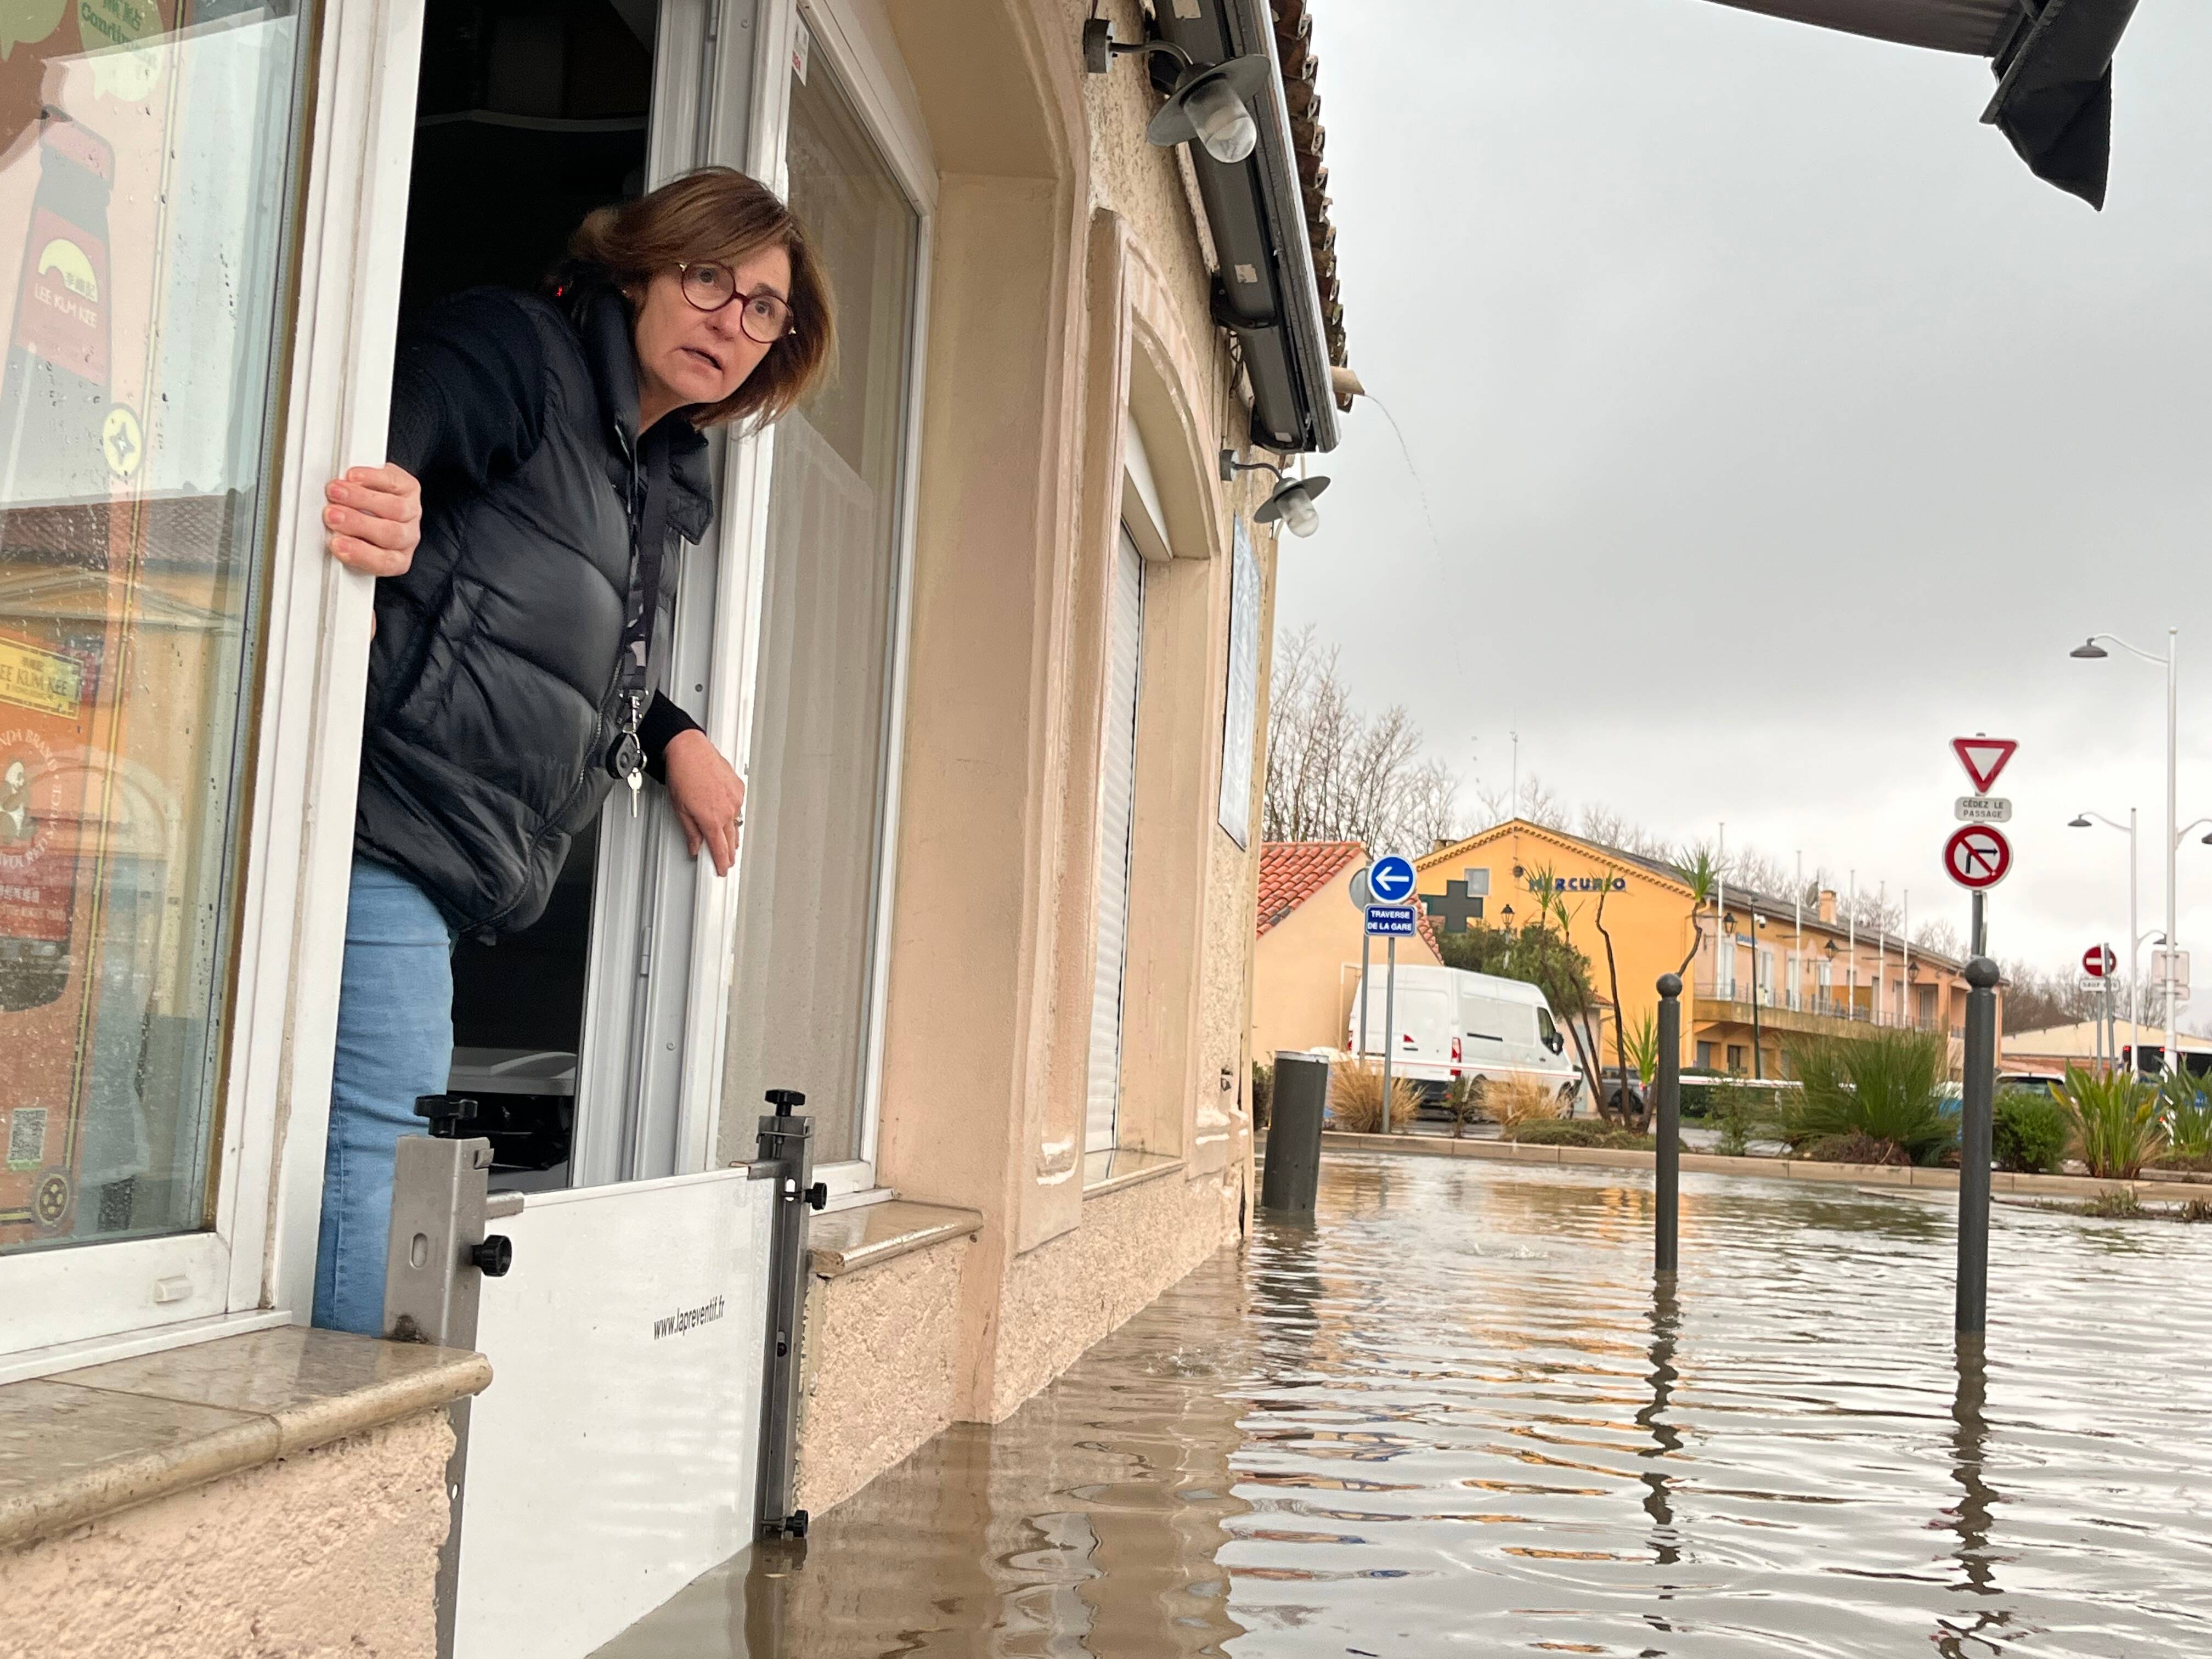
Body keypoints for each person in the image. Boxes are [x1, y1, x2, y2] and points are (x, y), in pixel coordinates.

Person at [312, 168, 833, 1334]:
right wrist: (384, 483)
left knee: (375, 1161)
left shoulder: (646, 476)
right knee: (388, 1169)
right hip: (380, 828)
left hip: (449, 865)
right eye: (710, 279)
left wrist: (672, 729)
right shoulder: (524, 356)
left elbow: (566, 638)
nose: (731, 323)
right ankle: (360, 1475)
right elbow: (390, 422)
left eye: (763, 310)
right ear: (641, 266)